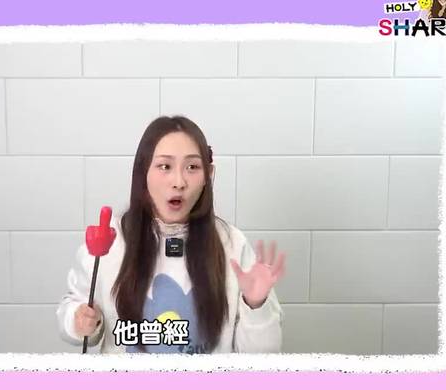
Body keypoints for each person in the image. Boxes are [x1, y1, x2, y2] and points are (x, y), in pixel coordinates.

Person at [56, 115, 285, 354]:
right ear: (143, 172)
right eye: (165, 166)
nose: (179, 182)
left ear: (208, 175)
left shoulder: (232, 244)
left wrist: (256, 306)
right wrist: (78, 320)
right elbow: (72, 307)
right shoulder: (111, 240)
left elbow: (263, 356)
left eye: (192, 167)